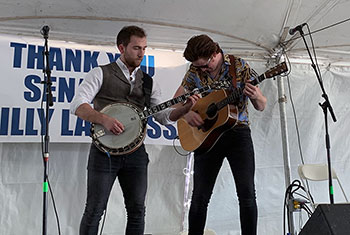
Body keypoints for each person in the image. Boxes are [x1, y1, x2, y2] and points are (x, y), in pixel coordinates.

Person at [70, 25, 199, 235]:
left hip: (136, 155)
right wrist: (103, 118)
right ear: (121, 47)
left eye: (144, 48)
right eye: (136, 48)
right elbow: (77, 104)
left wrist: (184, 109)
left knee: (137, 211)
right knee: (94, 210)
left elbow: (163, 117)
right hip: (104, 153)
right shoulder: (100, 73)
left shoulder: (148, 82)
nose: (141, 53)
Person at [173, 34, 267, 235]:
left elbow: (261, 106)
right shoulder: (194, 70)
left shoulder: (239, 66)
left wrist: (257, 96)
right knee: (200, 196)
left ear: (215, 53)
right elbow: (176, 101)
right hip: (207, 136)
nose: (202, 70)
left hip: (238, 134)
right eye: (198, 67)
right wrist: (187, 113)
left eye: (205, 66)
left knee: (247, 194)